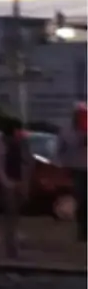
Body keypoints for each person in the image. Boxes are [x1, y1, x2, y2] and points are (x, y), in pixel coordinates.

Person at [0, 119, 30, 259]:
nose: (20, 132)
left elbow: (27, 161)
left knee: (17, 210)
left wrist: (25, 180)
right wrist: (6, 182)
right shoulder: (2, 143)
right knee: (11, 212)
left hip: (20, 181)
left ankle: (14, 237)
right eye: (18, 130)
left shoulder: (23, 143)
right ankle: (10, 244)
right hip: (9, 182)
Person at [60, 103, 87, 244]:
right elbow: (61, 149)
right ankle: (83, 232)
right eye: (79, 114)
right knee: (81, 202)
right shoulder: (67, 130)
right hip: (77, 169)